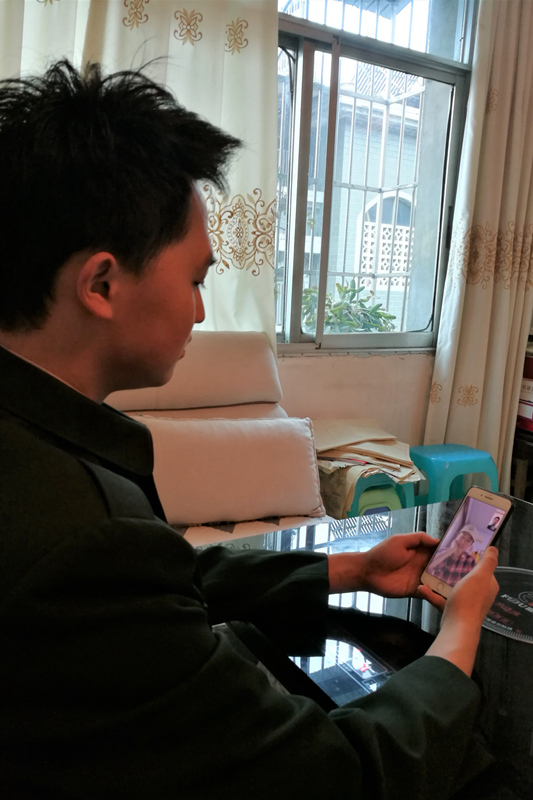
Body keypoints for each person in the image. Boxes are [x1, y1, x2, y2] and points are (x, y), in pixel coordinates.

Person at [0, 60, 499, 800]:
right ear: (101, 283)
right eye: (195, 279)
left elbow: (167, 583)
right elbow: (337, 776)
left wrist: (348, 569)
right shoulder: (78, 536)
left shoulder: (39, 450)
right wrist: (457, 637)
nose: (202, 311)